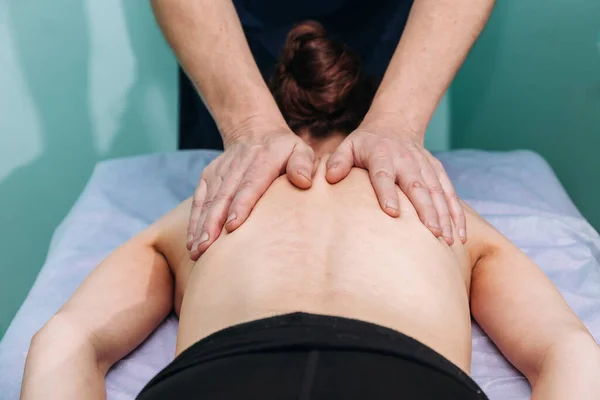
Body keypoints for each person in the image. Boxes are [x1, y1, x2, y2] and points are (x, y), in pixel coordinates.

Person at [22, 23, 599, 400]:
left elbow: (67, 339)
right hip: (403, 379)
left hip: (221, 379)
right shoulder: (442, 208)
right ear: (369, 113)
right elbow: (564, 350)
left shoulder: (210, 204)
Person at [150, 0, 497, 259]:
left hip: (382, 15)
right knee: (239, 184)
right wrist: (248, 126)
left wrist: (398, 122)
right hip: (231, 18)